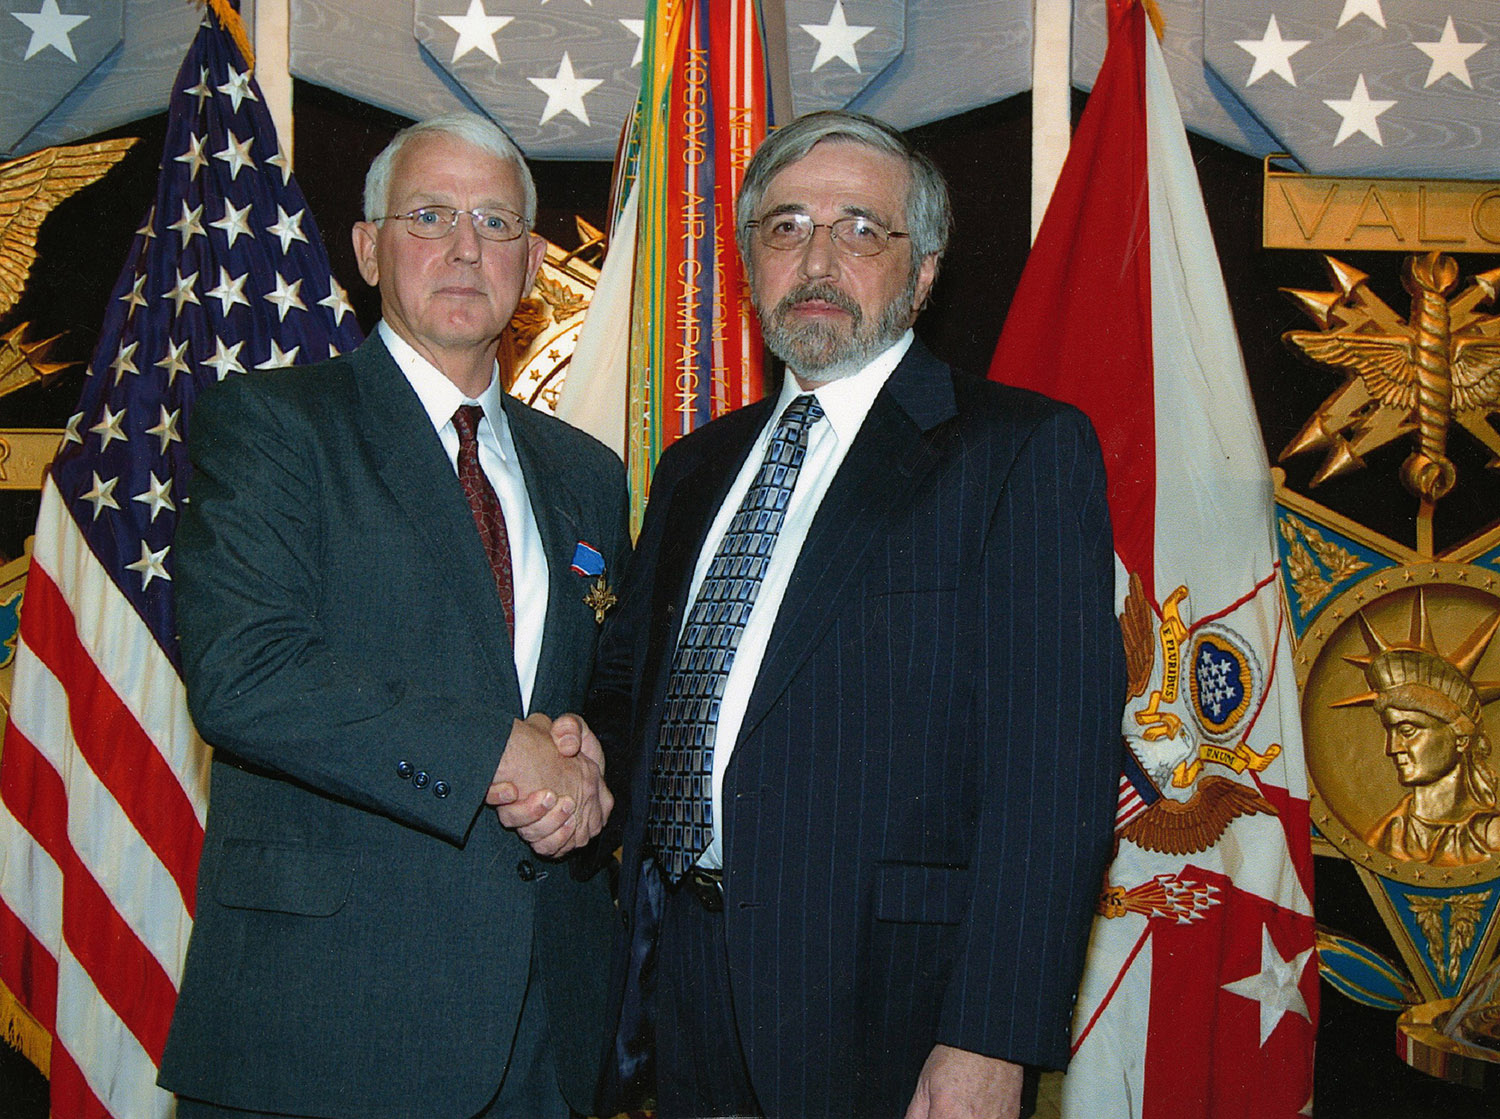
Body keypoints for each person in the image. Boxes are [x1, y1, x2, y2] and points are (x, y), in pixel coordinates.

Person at [589, 110, 1125, 1119]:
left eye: (861, 230)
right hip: (680, 980)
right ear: (749, 263)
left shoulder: (1017, 452)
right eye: (786, 227)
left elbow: (1053, 784)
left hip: (889, 1013)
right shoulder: (696, 468)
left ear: (922, 275)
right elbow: (636, 695)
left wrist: (990, 1039)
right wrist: (572, 757)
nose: (818, 260)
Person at [158, 113, 628, 1119]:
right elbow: (247, 674)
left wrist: (593, 760)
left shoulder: (588, 474)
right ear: (369, 249)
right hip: (326, 1026)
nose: (465, 246)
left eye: (496, 222)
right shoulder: (275, 425)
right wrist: (496, 751)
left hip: (546, 1034)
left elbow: (609, 690)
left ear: (531, 263)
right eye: (430, 216)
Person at [1336, 599, 1500, 866]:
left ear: (1460, 738)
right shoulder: (1385, 838)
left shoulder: (1492, 836)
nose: (1392, 748)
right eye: (1389, 731)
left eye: (1407, 730)